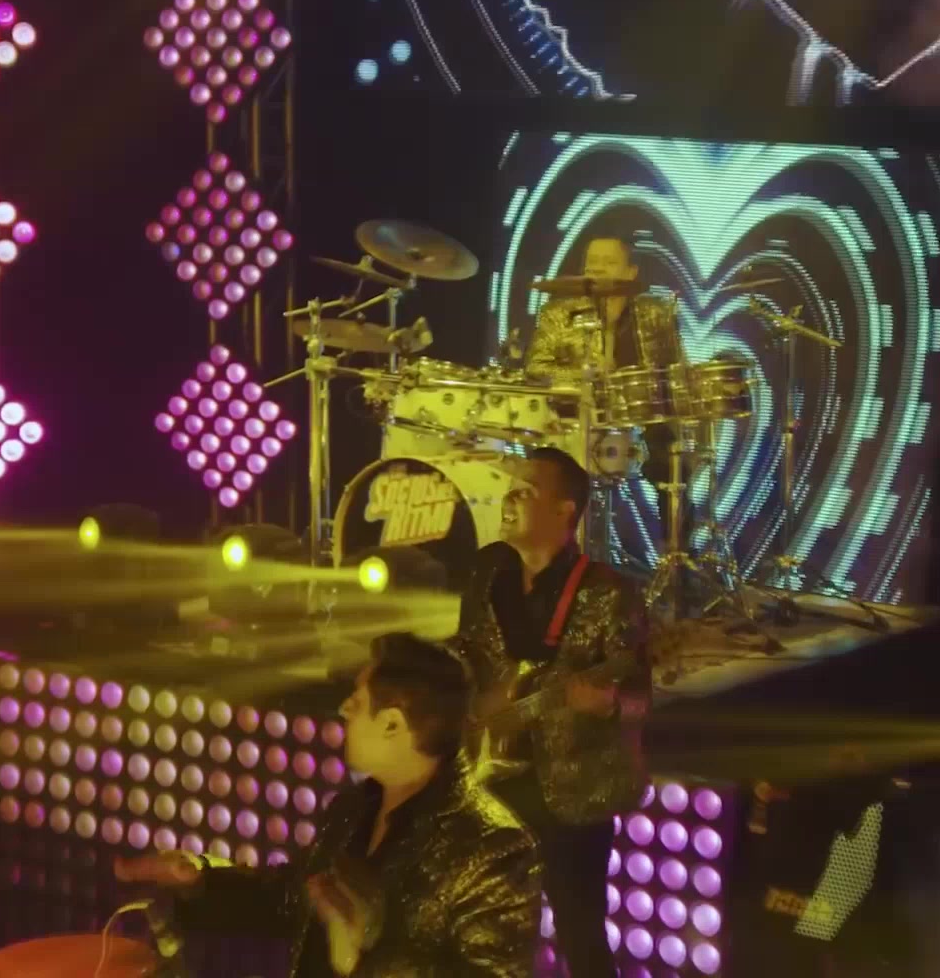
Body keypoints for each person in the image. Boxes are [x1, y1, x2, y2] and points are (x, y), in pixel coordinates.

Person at [115, 633, 542, 976]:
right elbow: (291, 899)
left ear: (392, 724)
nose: (343, 710)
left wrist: (362, 962)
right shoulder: (354, 809)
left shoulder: (495, 847)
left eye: (357, 702)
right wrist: (199, 879)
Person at [452, 446, 651, 978]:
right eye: (510, 490)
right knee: (485, 927)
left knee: (579, 933)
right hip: (491, 782)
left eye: (525, 491)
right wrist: (467, 698)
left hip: (572, 792)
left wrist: (608, 705)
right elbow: (467, 650)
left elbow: (639, 694)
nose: (509, 499)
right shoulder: (489, 571)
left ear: (564, 510)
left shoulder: (609, 592)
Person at [523, 234, 693, 555]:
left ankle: (676, 558)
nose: (597, 269)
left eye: (609, 262)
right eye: (592, 262)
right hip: (579, 418)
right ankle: (560, 553)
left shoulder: (655, 313)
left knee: (675, 464)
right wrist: (585, 375)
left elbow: (675, 369)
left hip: (643, 416)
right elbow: (535, 369)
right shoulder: (558, 313)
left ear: (631, 272)